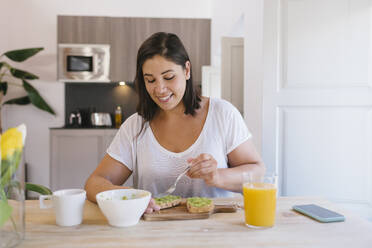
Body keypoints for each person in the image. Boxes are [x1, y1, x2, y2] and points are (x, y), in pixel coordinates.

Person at [85, 32, 265, 213]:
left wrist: (217, 176)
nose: (160, 89)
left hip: (214, 233)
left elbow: (257, 173)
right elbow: (94, 183)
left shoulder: (223, 114)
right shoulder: (135, 126)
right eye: (150, 80)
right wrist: (126, 195)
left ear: (187, 70)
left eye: (169, 77)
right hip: (152, 232)